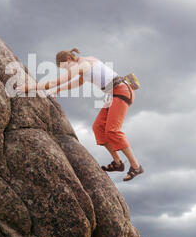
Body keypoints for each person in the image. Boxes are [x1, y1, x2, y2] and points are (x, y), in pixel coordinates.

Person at [16, 48, 144, 181]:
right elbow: (77, 82)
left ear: (68, 60)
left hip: (121, 91)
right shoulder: (86, 63)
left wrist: (28, 87)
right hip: (114, 94)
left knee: (112, 130)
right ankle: (118, 163)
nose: (66, 70)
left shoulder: (83, 64)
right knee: (98, 127)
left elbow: (55, 81)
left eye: (64, 67)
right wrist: (58, 90)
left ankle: (136, 166)